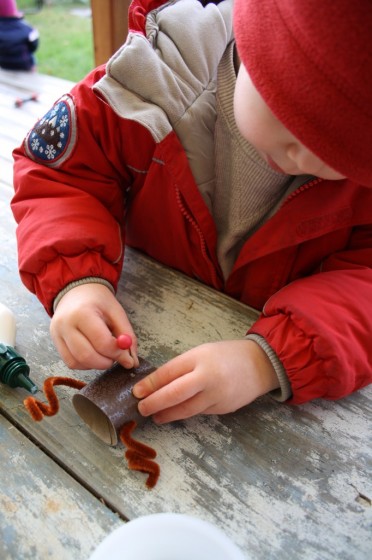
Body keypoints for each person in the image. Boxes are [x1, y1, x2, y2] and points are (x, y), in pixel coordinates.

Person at [11, 0, 372, 424]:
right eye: (293, 115)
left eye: (349, 155)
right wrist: (75, 280)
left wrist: (266, 360)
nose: (311, 158)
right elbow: (61, 176)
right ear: (253, 43)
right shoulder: (148, 81)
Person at [0, 0, 39, 71]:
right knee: (32, 56)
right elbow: (34, 46)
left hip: (3, 64)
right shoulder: (25, 28)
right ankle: (33, 74)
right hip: (23, 64)